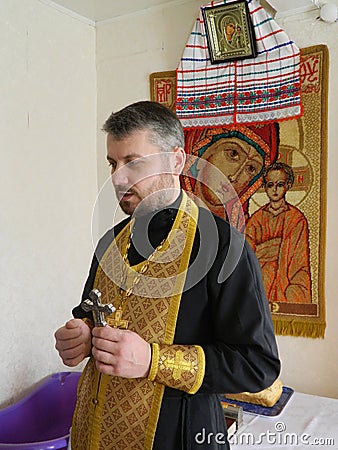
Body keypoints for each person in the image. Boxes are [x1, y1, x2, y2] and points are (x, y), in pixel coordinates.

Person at [55, 101, 280, 450]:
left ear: (176, 160)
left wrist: (152, 360)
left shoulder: (223, 247)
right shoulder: (110, 241)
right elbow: (90, 312)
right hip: (94, 431)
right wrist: (82, 335)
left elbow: (257, 364)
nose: (119, 178)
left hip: (179, 436)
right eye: (113, 163)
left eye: (134, 162)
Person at [246, 162, 312, 304]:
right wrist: (273, 248)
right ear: (264, 187)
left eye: (280, 184)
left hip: (286, 281)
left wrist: (266, 249)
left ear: (288, 186)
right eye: (270, 185)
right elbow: (248, 257)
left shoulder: (296, 219)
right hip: (260, 281)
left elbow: (299, 261)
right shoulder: (256, 220)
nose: (275, 189)